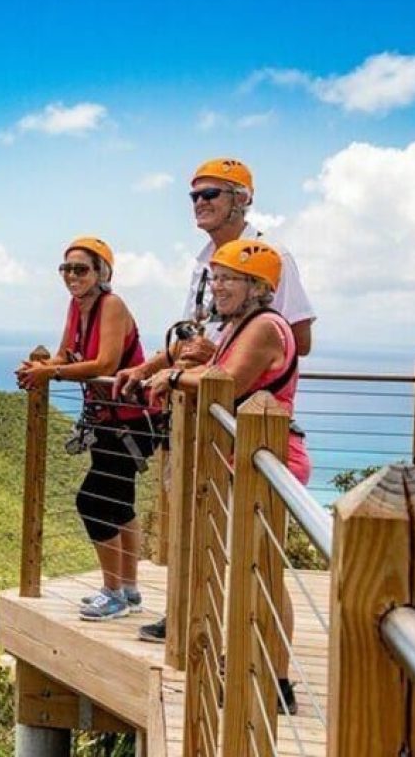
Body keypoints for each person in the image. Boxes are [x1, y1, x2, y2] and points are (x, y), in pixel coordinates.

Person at [116, 158, 316, 645]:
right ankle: (195, 624)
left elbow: (287, 343)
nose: (199, 203)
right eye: (194, 196)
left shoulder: (271, 259)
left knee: (251, 557)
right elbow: (194, 338)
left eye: (211, 194)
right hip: (214, 430)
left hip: (251, 430)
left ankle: (265, 665)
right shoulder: (206, 262)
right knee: (204, 537)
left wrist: (193, 366)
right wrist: (150, 368)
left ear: (242, 199)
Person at [125, 239, 309, 713]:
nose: (219, 287)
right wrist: (183, 365)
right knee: (250, 566)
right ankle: (257, 668)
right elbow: (214, 370)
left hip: (266, 458)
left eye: (230, 279)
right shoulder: (241, 326)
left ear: (258, 286)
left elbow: (226, 383)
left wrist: (170, 377)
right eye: (217, 278)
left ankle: (276, 680)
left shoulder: (265, 326)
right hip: (245, 457)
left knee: (261, 570)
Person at [16, 237, 155, 621]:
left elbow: (105, 363)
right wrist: (40, 368)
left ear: (101, 273)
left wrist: (51, 373)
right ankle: (128, 589)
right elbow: (65, 352)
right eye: (66, 269)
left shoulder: (112, 305)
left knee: (92, 502)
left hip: (128, 421)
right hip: (109, 419)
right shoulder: (78, 306)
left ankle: (112, 592)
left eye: (81, 269)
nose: (72, 276)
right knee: (120, 504)